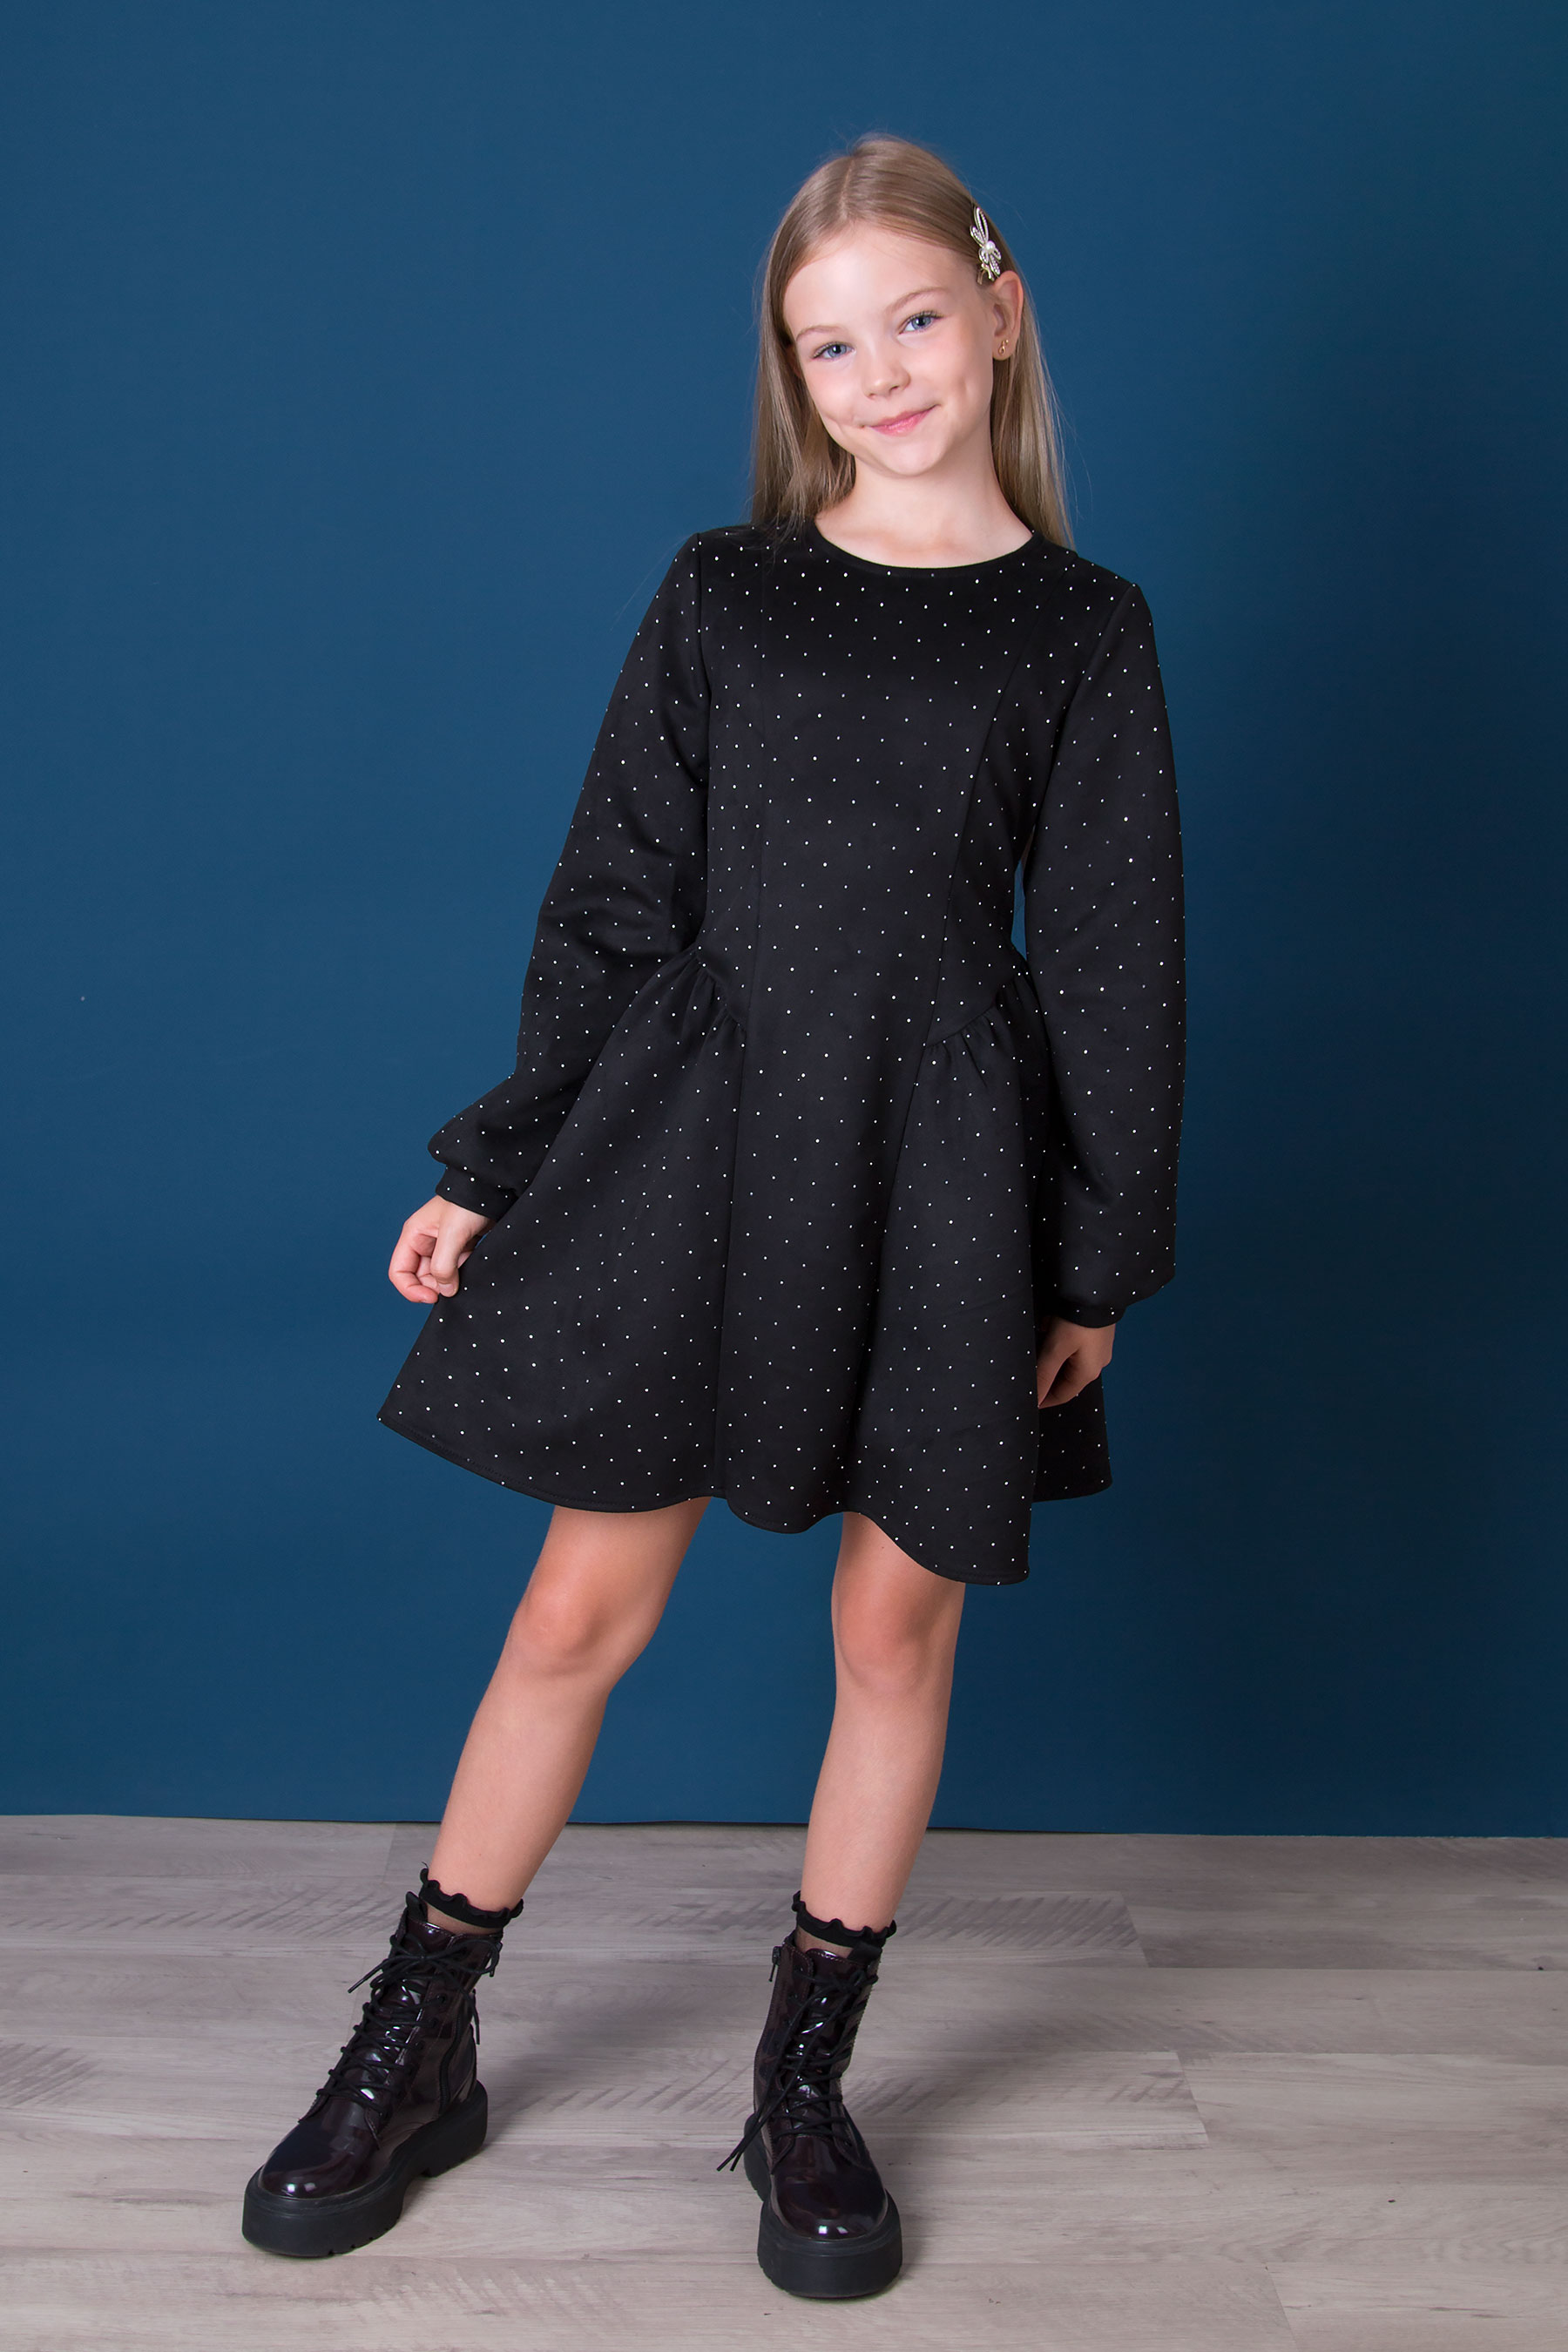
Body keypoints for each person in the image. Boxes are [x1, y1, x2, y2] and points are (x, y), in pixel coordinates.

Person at [241, 132, 1185, 2301]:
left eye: (913, 321)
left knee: (893, 1631)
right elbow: (615, 894)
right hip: (703, 1137)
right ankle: (420, 2039)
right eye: (828, 347)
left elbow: (1118, 962)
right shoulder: (725, 591)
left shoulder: (1082, 627)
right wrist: (495, 1160)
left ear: (1000, 310)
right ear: (792, 375)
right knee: (578, 1610)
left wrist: (1098, 1259)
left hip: (947, 1169)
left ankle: (803, 2081)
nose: (881, 374)